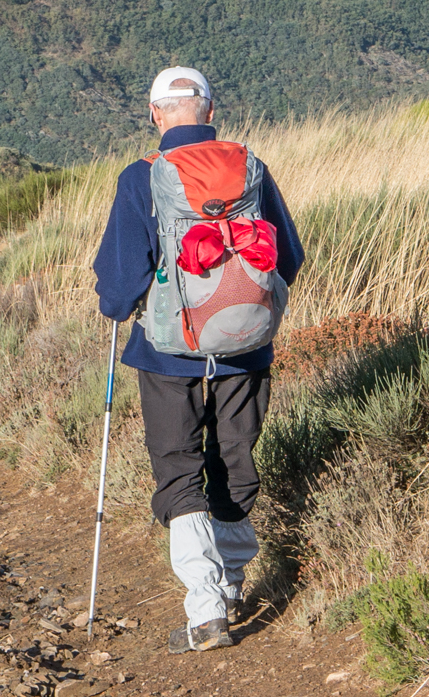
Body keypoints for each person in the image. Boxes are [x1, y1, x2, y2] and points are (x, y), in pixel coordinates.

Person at [93, 67, 304, 655]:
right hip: (245, 347)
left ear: (156, 115)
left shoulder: (141, 178)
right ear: (210, 111)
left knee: (178, 468)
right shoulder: (252, 169)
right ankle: (235, 584)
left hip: (168, 354)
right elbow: (289, 255)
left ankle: (208, 610)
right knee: (235, 456)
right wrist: (247, 306)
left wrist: (117, 304)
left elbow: (119, 281)